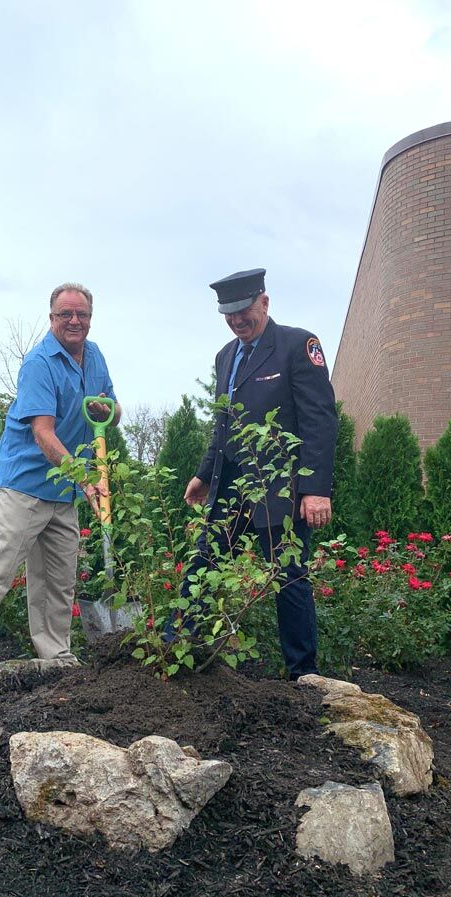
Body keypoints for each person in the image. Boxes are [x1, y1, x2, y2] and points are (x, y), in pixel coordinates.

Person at [0, 282, 121, 694]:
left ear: (91, 317)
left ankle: (55, 659)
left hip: (65, 491)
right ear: (51, 317)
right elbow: (43, 433)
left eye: (82, 314)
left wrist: (111, 410)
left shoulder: (95, 358)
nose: (75, 321)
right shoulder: (40, 362)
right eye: (65, 314)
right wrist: (85, 477)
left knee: (58, 581)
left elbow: (110, 406)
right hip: (25, 486)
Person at [177, 267, 337, 679]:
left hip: (281, 488)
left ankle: (303, 674)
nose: (237, 321)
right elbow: (223, 424)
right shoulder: (225, 357)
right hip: (231, 488)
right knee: (205, 563)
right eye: (229, 314)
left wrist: (316, 489)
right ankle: (176, 650)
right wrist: (204, 473)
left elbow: (320, 420)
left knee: (288, 577)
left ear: (264, 302)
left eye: (244, 311)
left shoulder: (298, 345)